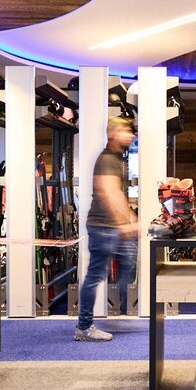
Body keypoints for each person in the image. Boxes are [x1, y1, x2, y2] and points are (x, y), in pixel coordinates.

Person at [75, 116, 137, 341]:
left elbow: (117, 193)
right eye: (125, 131)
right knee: (95, 275)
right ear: (112, 134)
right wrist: (127, 222)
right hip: (102, 227)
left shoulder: (117, 158)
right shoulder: (107, 159)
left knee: (128, 264)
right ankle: (84, 327)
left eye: (131, 132)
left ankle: (117, 310)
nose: (130, 135)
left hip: (111, 228)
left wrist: (128, 220)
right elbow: (109, 193)